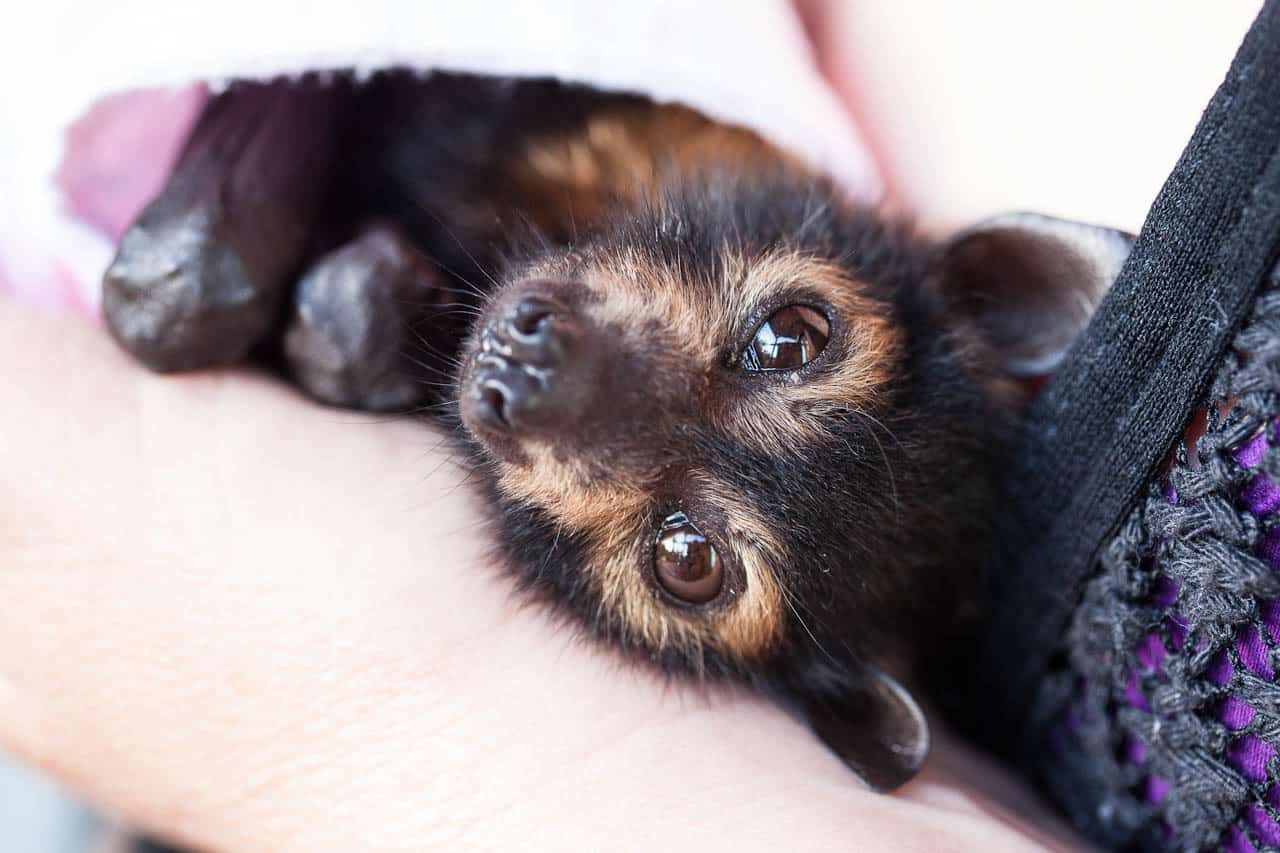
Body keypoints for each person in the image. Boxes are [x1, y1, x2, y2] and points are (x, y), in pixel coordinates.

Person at [0, 3, 1259, 849]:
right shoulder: (640, 131)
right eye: (784, 342)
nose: (581, 397)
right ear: (979, 281)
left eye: (686, 558)